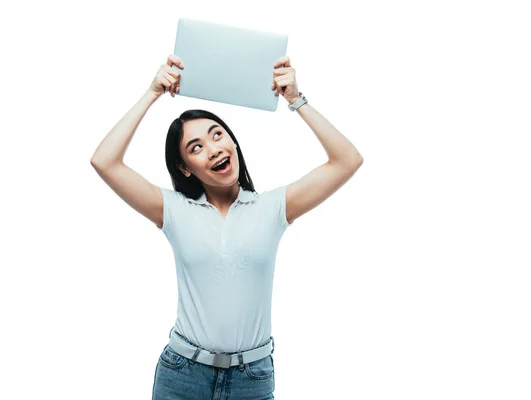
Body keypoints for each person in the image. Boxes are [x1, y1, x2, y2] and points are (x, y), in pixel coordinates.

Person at [90, 54, 363, 399]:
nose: (213, 149)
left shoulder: (273, 208)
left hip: (252, 379)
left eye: (217, 135)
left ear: (233, 141)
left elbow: (347, 160)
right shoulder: (173, 210)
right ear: (186, 168)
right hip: (182, 377)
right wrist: (151, 93)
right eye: (196, 147)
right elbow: (104, 161)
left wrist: (296, 100)